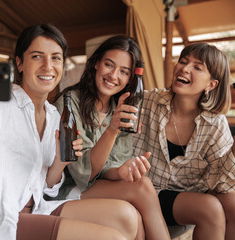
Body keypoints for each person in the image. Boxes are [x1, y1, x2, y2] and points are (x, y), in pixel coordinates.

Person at [0, 24, 140, 240]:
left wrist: (60, 161)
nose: (48, 66)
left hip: (38, 208)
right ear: (19, 63)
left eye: (55, 58)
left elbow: (46, 186)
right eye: (37, 56)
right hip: (0, 223)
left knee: (126, 216)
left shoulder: (54, 115)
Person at [51, 35, 170, 240]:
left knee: (139, 196)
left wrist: (121, 172)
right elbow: (84, 174)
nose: (114, 75)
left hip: (98, 186)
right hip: (68, 189)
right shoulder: (70, 103)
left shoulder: (120, 108)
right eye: (109, 65)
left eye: (124, 72)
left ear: (130, 78)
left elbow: (111, 167)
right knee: (142, 189)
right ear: (96, 63)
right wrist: (112, 130)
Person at [133, 42, 235, 240]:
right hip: (147, 192)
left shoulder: (214, 123)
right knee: (209, 207)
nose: (184, 68)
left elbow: (220, 185)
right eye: (183, 61)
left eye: (197, 67)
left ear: (211, 85)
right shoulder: (148, 101)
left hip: (190, 195)